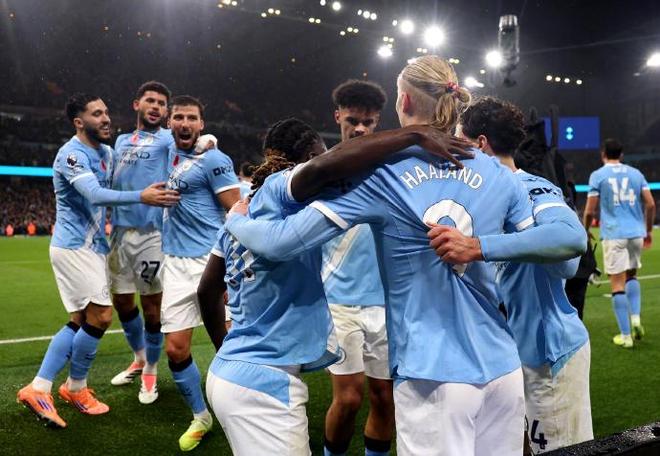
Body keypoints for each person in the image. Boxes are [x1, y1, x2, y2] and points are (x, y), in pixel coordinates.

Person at [224, 56, 540, 456]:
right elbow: (553, 251)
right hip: (503, 366)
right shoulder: (497, 173)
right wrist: (483, 248)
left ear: (403, 101)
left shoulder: (383, 174)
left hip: (434, 373)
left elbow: (281, 243)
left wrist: (237, 221)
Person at [200, 117, 470, 455]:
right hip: (264, 385)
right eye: (323, 153)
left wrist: (226, 353)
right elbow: (312, 185)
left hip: (232, 371)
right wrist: (414, 134)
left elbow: (206, 290)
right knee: (349, 398)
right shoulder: (280, 190)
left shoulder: (247, 206)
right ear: (310, 158)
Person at [429, 96, 590, 453]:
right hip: (512, 355)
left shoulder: (531, 187)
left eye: (461, 141)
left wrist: (478, 247)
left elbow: (572, 240)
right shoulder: (485, 197)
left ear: (481, 144)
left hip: (549, 353)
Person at [16, 93, 179, 429]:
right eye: (96, 114)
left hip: (94, 246)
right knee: (103, 315)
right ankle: (50, 387)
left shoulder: (106, 152)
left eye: (106, 112)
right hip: (74, 246)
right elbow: (94, 194)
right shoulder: (72, 155)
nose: (106, 118)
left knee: (80, 319)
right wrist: (142, 196)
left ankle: (67, 387)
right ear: (79, 122)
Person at [160, 95, 241, 451]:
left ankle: (242, 410)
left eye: (192, 117)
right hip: (176, 264)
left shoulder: (214, 159)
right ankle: (201, 416)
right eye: (178, 117)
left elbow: (237, 210)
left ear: (202, 123)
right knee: (176, 349)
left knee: (229, 342)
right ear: (169, 122)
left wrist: (234, 263)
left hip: (211, 262)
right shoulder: (168, 154)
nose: (185, 123)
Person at [321, 79, 394, 456]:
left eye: (368, 122)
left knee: (384, 397)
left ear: (378, 121)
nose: (361, 129)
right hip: (339, 302)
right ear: (338, 117)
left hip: (386, 301)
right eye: (353, 120)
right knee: (348, 399)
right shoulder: (319, 171)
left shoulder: (391, 170)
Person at [108, 81, 173, 404]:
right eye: (150, 100)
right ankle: (139, 357)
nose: (156, 106)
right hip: (119, 233)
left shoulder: (167, 139)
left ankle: (151, 371)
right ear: (137, 104)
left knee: (151, 308)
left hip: (151, 234)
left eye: (161, 103)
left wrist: (207, 141)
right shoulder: (121, 141)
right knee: (122, 302)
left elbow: (192, 146)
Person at [584, 139, 656, 348]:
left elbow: (589, 211)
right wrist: (648, 230)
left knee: (617, 284)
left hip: (614, 233)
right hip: (636, 233)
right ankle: (636, 319)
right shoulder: (636, 174)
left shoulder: (598, 175)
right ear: (622, 154)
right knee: (632, 276)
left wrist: (585, 230)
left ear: (603, 154)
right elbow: (651, 204)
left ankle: (625, 337)